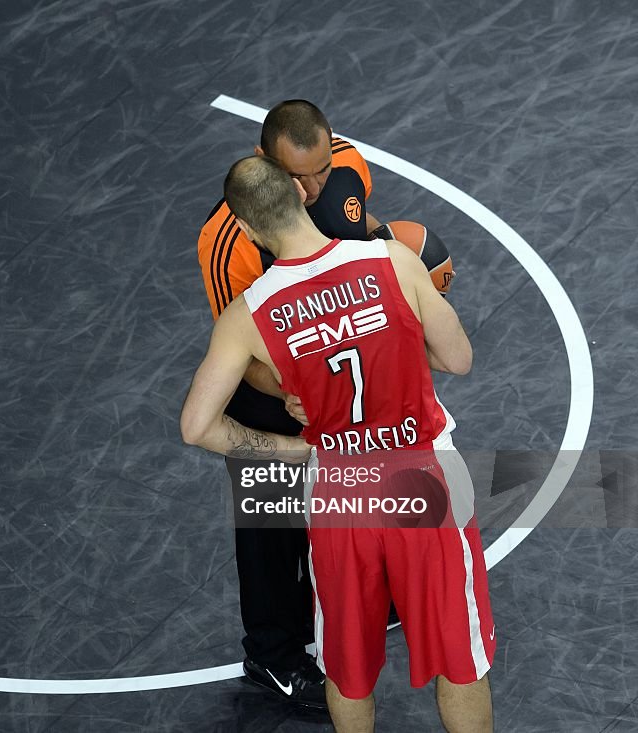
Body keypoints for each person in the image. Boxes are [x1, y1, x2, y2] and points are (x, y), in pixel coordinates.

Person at [181, 156, 495, 732]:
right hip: (425, 479)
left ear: (247, 228)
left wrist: (297, 451)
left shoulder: (247, 314)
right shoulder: (393, 260)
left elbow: (198, 427)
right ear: (303, 193)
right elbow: (459, 359)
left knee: (348, 672)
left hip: (341, 494)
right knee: (461, 659)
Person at [196, 99, 384, 707]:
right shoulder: (228, 240)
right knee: (271, 523)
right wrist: (295, 393)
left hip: (337, 366)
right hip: (275, 391)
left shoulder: (348, 166)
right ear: (262, 160)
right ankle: (273, 655)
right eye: (296, 177)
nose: (310, 189)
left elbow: (364, 236)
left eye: (320, 173)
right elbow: (241, 350)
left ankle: (374, 596)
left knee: (366, 483)